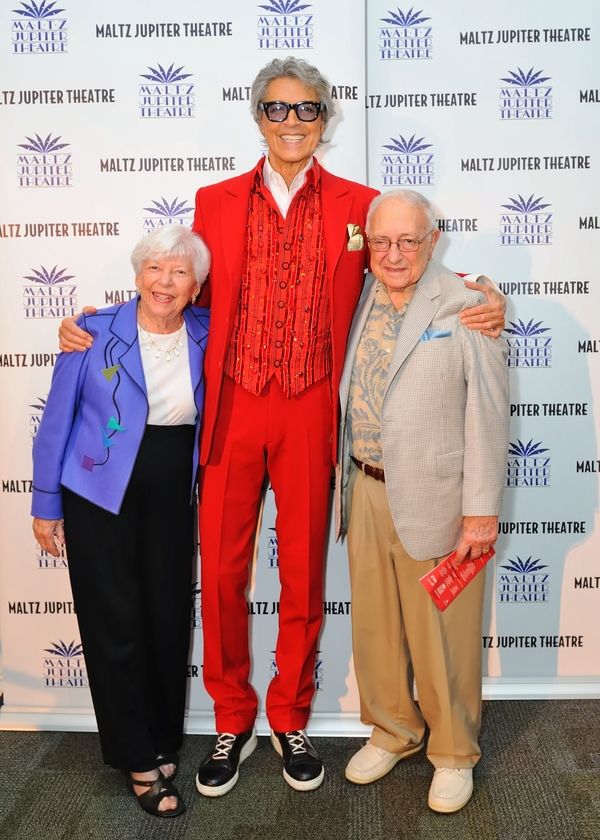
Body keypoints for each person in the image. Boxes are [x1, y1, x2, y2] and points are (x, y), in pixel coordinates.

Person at [57, 56, 505, 795]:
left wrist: (489, 295)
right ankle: (232, 718)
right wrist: (99, 326)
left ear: (324, 122)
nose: (291, 122)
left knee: (302, 576)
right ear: (258, 118)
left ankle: (290, 714)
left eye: (306, 110)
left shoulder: (363, 207)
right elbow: (177, 292)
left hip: (310, 411)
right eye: (277, 108)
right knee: (224, 574)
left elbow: (416, 271)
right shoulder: (214, 200)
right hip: (231, 406)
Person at [337, 189, 509, 813]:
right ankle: (394, 730)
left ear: (433, 240)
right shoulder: (356, 297)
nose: (394, 252)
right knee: (376, 627)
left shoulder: (469, 304)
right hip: (364, 488)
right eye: (381, 241)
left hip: (439, 496)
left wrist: (481, 511)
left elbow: (489, 415)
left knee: (445, 635)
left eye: (408, 240)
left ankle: (454, 751)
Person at [32, 226, 210, 818]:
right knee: (114, 621)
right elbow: (56, 419)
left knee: (165, 615)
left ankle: (161, 738)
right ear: (137, 275)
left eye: (179, 272)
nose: (165, 281)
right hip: (97, 489)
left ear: (196, 285)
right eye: (155, 269)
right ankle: (137, 756)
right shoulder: (92, 331)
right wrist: (45, 501)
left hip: (170, 489)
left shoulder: (209, 334)